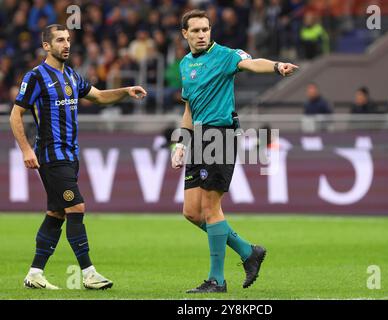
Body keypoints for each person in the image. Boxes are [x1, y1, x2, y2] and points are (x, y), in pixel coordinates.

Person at [10, 24, 147, 290]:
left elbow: (97, 96)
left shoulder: (72, 75)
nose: (66, 44)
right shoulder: (36, 76)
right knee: (76, 207)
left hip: (71, 156)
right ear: (47, 46)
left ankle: (35, 273)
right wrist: (26, 149)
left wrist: (124, 91)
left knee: (56, 213)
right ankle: (88, 273)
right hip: (52, 156)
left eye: (68, 39)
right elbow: (16, 114)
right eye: (60, 40)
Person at [171, 9, 298, 293]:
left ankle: (217, 280)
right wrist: (181, 142)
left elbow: (253, 64)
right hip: (199, 138)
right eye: (196, 31)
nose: (202, 34)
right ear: (185, 34)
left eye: (205, 29)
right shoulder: (184, 65)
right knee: (191, 212)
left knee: (210, 208)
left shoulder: (226, 56)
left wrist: (277, 66)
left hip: (220, 134)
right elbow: (189, 108)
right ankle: (247, 251)